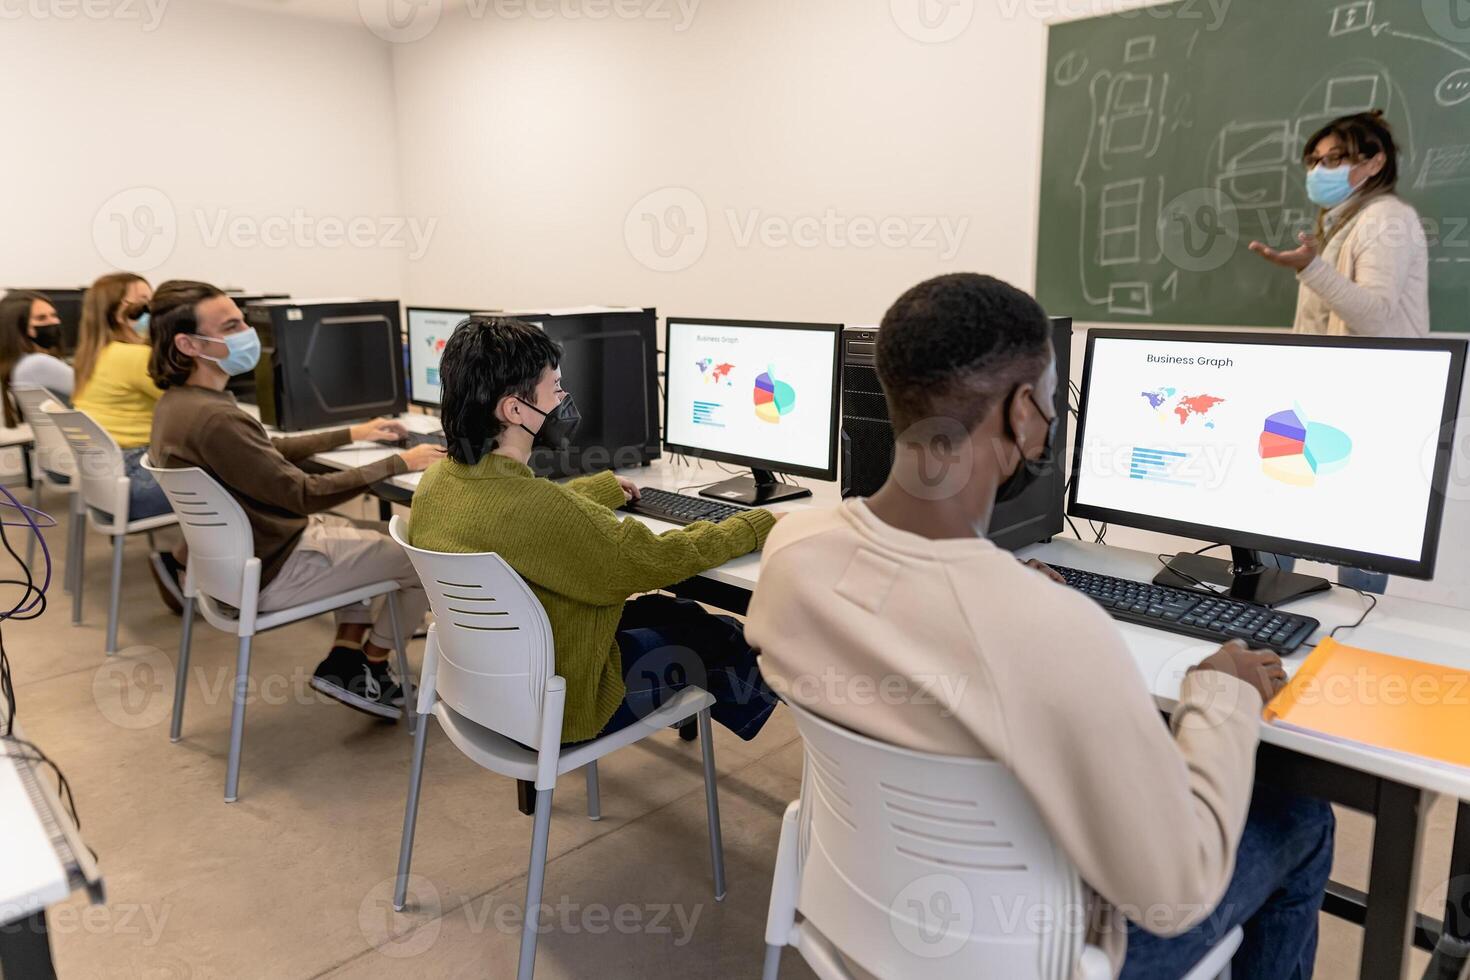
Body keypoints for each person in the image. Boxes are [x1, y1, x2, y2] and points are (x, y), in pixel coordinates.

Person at [747, 274, 1334, 980]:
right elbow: (1174, 895)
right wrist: (1221, 697)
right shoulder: (1056, 631)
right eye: (1052, 404)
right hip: (1051, 958)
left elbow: (909, 620)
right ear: (1023, 414)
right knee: (1300, 817)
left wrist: (1005, 598)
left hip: (871, 914)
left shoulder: (792, 553)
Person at [408, 316, 779, 745]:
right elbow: (654, 559)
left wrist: (596, 489)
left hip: (489, 690)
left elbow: (519, 514)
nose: (565, 400)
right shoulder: (540, 511)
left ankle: (729, 707)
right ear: (514, 409)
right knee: (718, 635)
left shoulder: (437, 484)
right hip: (570, 703)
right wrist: (756, 527)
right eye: (556, 389)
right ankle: (801, 735)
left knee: (677, 614)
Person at [147, 280, 444, 719]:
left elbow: (267, 451)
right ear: (189, 344)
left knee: (358, 534)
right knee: (427, 555)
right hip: (279, 566)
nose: (248, 332)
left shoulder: (181, 405)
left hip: (235, 567)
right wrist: (400, 462)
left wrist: (354, 434)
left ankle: (344, 660)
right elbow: (304, 495)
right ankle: (373, 665)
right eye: (231, 326)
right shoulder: (215, 418)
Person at [1249, 110, 1416, 593]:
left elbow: (1378, 317)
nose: (1321, 170)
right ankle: (1265, 626)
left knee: (1352, 545)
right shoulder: (1343, 221)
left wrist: (1311, 269)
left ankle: (1341, 649)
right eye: (1315, 160)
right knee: (1278, 524)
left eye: (1337, 158)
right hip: (1317, 399)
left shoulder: (1386, 220)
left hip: (1362, 401)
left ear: (1375, 161)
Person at [0, 290, 74, 427]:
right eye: (41, 318)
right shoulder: (37, 364)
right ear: (18, 327)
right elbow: (96, 392)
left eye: (53, 315)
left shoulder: (20, 363)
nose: (54, 322)